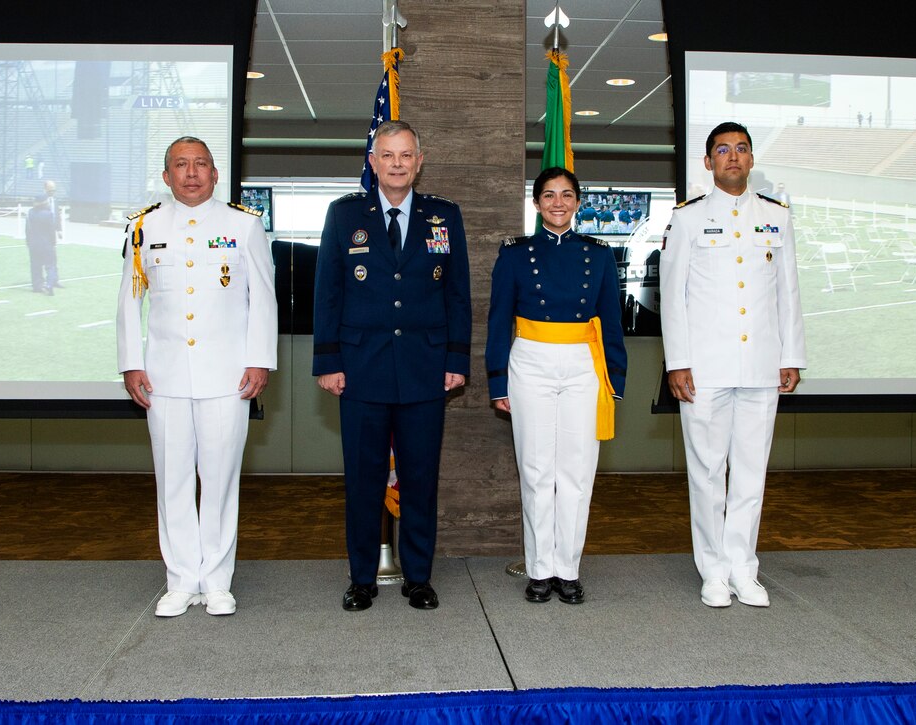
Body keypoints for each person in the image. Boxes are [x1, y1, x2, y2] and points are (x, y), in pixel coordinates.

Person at [313, 120, 471, 612]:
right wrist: (328, 359)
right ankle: (362, 577)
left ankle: (418, 577)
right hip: (360, 369)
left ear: (419, 162)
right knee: (363, 477)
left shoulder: (444, 216)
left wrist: (456, 358)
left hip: (426, 369)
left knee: (421, 477)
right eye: (388, 155)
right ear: (373, 161)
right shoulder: (344, 216)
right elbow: (328, 293)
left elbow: (458, 294)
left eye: (406, 155)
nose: (397, 163)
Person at [116, 136, 278, 618]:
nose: (191, 173)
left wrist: (259, 360)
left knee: (222, 479)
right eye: (181, 165)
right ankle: (181, 578)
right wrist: (131, 361)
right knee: (172, 481)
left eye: (201, 164)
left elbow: (262, 299)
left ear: (214, 173)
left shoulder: (243, 225)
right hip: (163, 378)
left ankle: (217, 580)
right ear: (166, 176)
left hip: (227, 377)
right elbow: (129, 299)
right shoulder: (145, 226)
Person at [659, 121, 806, 609]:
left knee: (750, 474)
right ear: (708, 162)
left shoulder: (776, 216)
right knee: (706, 472)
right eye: (723, 150)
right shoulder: (687, 219)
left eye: (742, 149)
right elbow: (673, 295)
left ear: (751, 159)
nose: (734, 157)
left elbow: (787, 292)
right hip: (704, 368)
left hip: (761, 366)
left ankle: (744, 568)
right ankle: (713, 571)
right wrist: (677, 362)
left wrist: (791, 356)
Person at [486, 166, 627, 605]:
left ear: (578, 201)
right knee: (536, 470)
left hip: (584, 365)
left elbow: (611, 323)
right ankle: (539, 570)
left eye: (567, 195)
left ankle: (568, 569)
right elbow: (496, 323)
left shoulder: (600, 254)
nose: (558, 203)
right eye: (549, 195)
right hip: (530, 362)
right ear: (536, 204)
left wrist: (614, 379)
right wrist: (497, 381)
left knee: (577, 472)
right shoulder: (514, 254)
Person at [25, 195, 57, 294]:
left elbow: (27, 229)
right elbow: (51, 230)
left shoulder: (30, 212)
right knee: (50, 266)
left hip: (33, 243)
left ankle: (37, 286)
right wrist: (53, 242)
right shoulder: (48, 214)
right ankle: (49, 285)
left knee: (35, 266)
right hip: (46, 243)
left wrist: (28, 241)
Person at [43, 180, 63, 288]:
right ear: (45, 189)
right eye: (51, 190)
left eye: (54, 190)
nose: (52, 192)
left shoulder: (55, 200)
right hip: (43, 234)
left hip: (52, 234)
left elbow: (57, 216)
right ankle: (48, 280)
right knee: (47, 258)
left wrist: (59, 230)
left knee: (54, 257)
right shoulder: (41, 200)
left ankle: (55, 280)